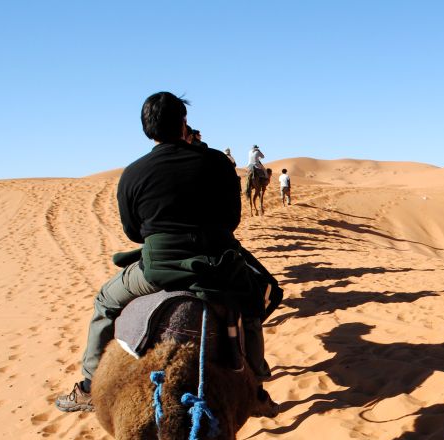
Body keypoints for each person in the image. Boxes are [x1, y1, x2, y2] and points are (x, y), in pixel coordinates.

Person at [55, 91, 281, 415]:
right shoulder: (218, 162)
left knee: (105, 302)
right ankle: (257, 386)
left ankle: (89, 387)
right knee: (251, 307)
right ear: (183, 123)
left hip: (156, 271)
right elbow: (232, 220)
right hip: (217, 270)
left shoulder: (133, 173)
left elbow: (133, 232)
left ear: (146, 129)